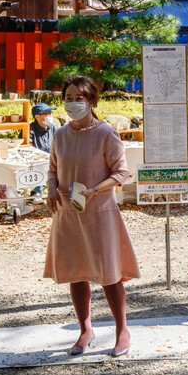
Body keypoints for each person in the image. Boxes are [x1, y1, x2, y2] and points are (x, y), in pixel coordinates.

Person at [44, 75, 137, 357]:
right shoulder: (60, 134)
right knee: (76, 271)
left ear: (91, 101)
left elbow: (121, 173)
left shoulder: (105, 133)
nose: (73, 104)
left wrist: (94, 190)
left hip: (99, 212)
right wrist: (50, 191)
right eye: (68, 98)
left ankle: (122, 330)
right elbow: (52, 169)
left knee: (110, 273)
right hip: (68, 213)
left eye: (79, 98)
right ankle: (85, 329)